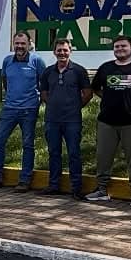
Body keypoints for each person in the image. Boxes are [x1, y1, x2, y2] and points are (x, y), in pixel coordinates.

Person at [85, 35, 131, 207]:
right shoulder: (105, 68)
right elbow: (96, 88)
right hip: (107, 121)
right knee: (103, 156)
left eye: (123, 46)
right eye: (117, 47)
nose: (120, 49)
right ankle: (102, 190)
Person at [0, 31, 47, 190]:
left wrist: (37, 102)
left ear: (29, 44)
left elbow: (43, 84)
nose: (20, 46)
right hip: (9, 108)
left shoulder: (37, 61)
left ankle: (25, 180)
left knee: (28, 144)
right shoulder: (7, 61)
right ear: (13, 44)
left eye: (23, 43)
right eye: (17, 43)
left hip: (29, 109)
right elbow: (6, 82)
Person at [37, 38, 92, 198]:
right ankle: (54, 185)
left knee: (74, 153)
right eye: (59, 50)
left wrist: (75, 106)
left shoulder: (79, 71)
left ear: (70, 51)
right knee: (54, 153)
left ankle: (76, 188)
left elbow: (88, 93)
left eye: (65, 50)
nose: (62, 53)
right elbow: (44, 93)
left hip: (72, 120)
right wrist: (53, 104)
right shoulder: (48, 71)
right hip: (52, 120)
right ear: (54, 52)